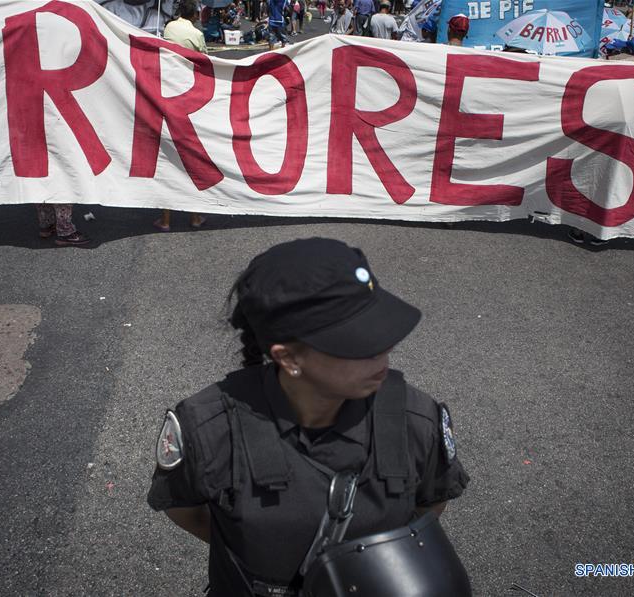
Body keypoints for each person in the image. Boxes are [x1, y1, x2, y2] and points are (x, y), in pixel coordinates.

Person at [147, 237, 470, 596]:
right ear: (288, 358)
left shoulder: (416, 421)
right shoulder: (208, 430)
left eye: (382, 331)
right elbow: (185, 509)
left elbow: (428, 506)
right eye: (358, 343)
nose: (385, 352)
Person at [156, 0, 208, 232]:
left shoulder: (169, 28)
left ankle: (166, 219)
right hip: (189, 95)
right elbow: (206, 61)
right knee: (191, 160)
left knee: (168, 159)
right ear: (195, 15)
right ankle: (195, 216)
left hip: (166, 92)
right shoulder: (196, 34)